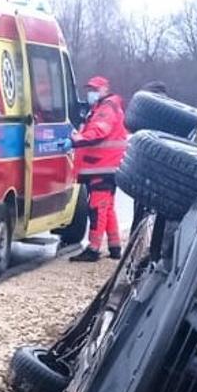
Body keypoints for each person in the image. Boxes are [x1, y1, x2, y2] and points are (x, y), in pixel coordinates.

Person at [70, 76, 128, 262]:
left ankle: (93, 249)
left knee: (97, 207)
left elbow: (98, 132)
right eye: (90, 89)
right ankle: (114, 246)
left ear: (105, 89)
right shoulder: (102, 107)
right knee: (107, 207)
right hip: (106, 165)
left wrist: (76, 140)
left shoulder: (106, 109)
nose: (91, 93)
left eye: (95, 89)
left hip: (102, 165)